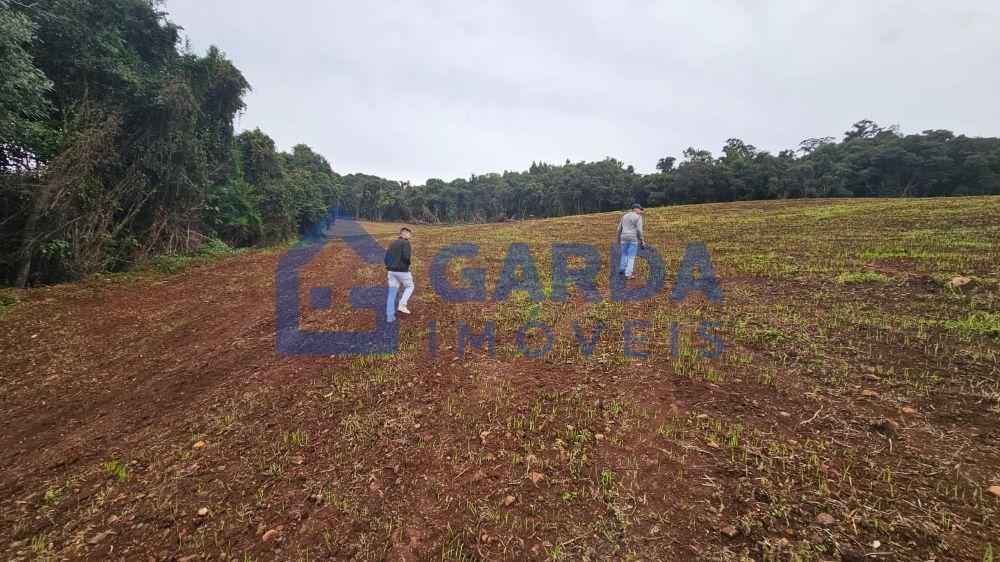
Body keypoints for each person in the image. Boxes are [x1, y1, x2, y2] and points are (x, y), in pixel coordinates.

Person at [384, 227, 414, 322]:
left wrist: (390, 266)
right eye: (409, 234)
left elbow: (386, 259)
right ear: (404, 234)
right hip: (402, 271)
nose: (410, 236)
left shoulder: (392, 244)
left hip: (391, 272)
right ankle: (402, 305)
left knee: (392, 293)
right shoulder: (406, 243)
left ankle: (390, 316)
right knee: (410, 286)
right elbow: (406, 257)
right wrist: (408, 264)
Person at [616, 203, 645, 279]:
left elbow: (619, 229)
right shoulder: (638, 217)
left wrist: (618, 239)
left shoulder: (624, 216)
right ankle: (628, 274)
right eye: (640, 209)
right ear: (635, 209)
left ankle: (622, 269)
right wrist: (642, 240)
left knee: (624, 254)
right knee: (631, 256)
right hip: (633, 238)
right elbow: (639, 230)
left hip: (623, 237)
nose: (640, 211)